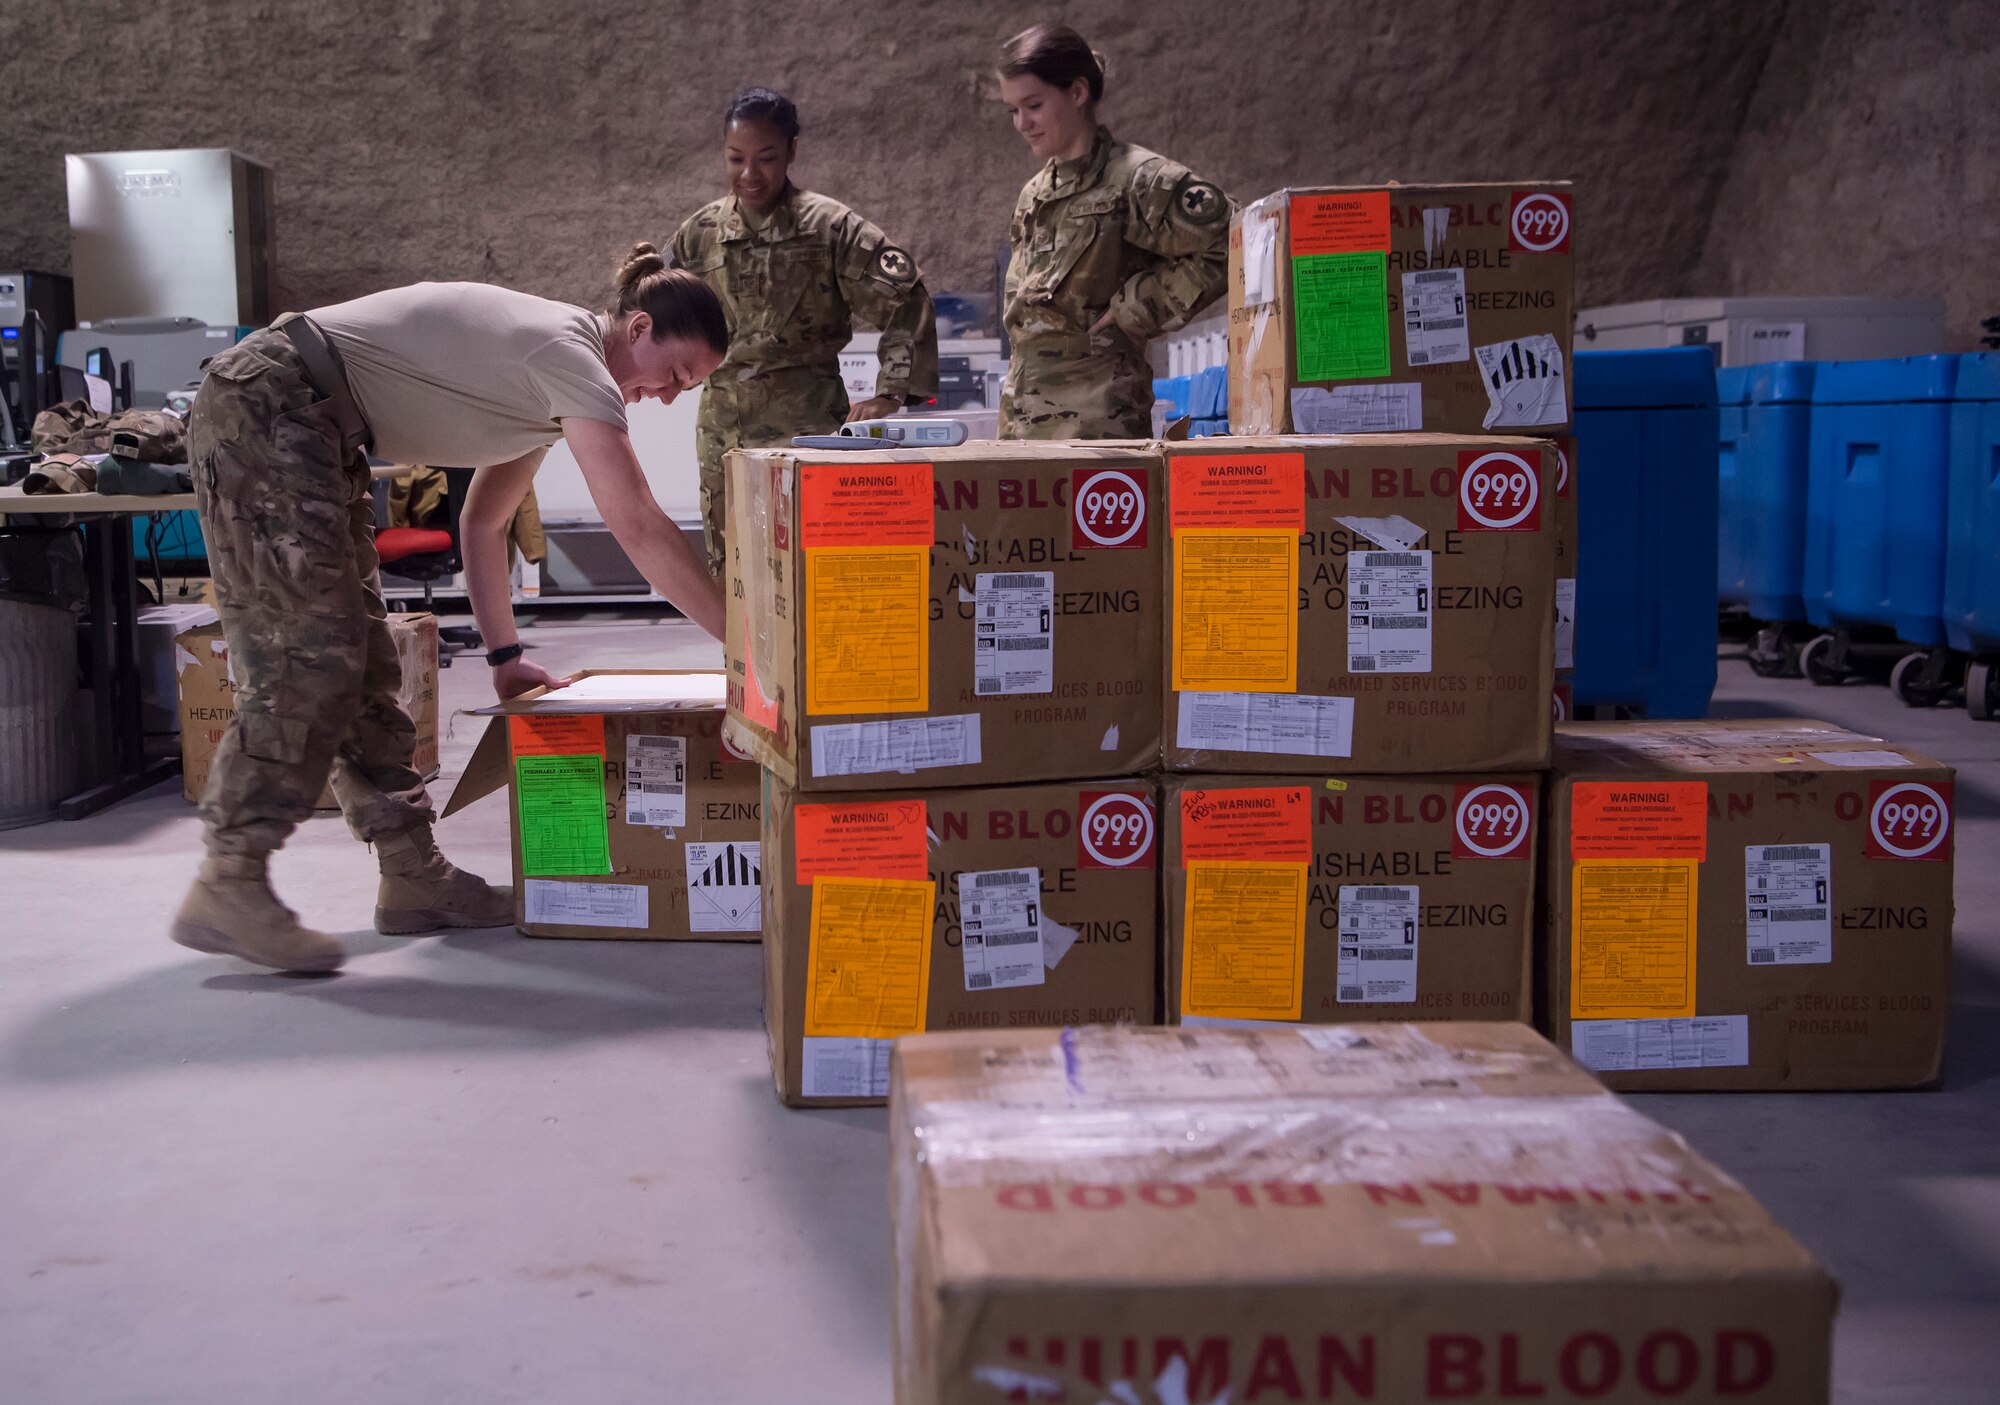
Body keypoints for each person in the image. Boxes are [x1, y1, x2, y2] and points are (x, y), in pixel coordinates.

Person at [173, 245, 729, 974]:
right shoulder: (572, 355)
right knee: (309, 651)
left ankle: (412, 874)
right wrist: (747, 646)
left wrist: (504, 658)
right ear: (639, 329)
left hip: (314, 424)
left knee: (365, 655)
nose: (668, 394)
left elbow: (483, 522)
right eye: (677, 374)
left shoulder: (550, 398)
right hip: (272, 400)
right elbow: (639, 524)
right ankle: (230, 874)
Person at [672, 87, 938, 572]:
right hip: (723, 435)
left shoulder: (831, 229)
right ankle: (737, 652)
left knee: (814, 566)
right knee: (732, 567)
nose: (749, 175)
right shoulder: (700, 234)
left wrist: (892, 393)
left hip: (809, 432)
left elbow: (907, 299)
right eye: (736, 158)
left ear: (792, 150)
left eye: (766, 158)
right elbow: (660, 313)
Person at [996, 24, 1233, 440]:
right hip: (1022, 422)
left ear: (1077, 92)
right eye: (1013, 110)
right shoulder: (1035, 194)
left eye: (1033, 105)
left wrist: (1140, 306)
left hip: (1098, 426)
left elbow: (1236, 239)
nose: (1021, 123)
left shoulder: (1138, 181)